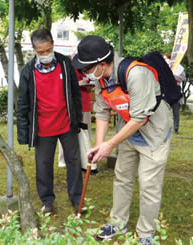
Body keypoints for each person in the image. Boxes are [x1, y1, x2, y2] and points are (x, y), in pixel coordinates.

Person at [72, 35, 172, 245]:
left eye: (86, 69)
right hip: (128, 132)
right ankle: (117, 222)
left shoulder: (136, 73)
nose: (84, 74)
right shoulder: (100, 78)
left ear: (100, 64)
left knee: (148, 185)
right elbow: (102, 110)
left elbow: (139, 118)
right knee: (122, 178)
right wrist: (99, 143)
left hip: (153, 134)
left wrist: (109, 144)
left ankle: (146, 234)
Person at [16, 28, 84, 214]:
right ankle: (47, 201)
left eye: (47, 50)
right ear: (34, 49)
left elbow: (75, 93)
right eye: (40, 52)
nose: (45, 55)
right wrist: (23, 133)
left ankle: (77, 199)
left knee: (74, 161)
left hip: (66, 123)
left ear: (52, 45)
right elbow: (22, 102)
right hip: (43, 128)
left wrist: (77, 120)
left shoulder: (65, 64)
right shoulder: (28, 71)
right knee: (43, 166)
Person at [58, 68, 93, 168]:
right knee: (66, 133)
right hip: (71, 106)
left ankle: (84, 159)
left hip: (85, 105)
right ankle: (63, 159)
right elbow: (63, 85)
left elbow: (89, 89)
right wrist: (78, 83)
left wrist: (89, 86)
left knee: (86, 133)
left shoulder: (87, 71)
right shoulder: (69, 69)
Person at [163, 53, 184, 134]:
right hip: (166, 93)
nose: (165, 60)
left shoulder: (178, 68)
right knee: (165, 113)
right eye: (164, 59)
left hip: (175, 93)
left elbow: (183, 78)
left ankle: (176, 129)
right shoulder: (163, 68)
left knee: (176, 113)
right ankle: (165, 129)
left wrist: (172, 75)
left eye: (166, 58)